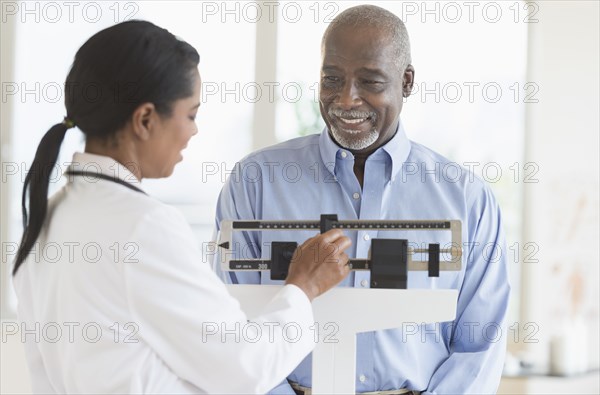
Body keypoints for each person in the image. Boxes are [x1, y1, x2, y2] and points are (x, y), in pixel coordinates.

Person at [13, 20, 352, 394]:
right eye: (190, 114)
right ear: (144, 119)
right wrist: (302, 287)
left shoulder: (47, 218)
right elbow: (243, 369)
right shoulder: (142, 227)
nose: (194, 131)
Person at [213, 5, 511, 395]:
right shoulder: (255, 183)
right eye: (332, 78)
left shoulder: (468, 199)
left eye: (370, 82)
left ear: (406, 82)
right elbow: (235, 322)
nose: (347, 99)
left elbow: (479, 346)